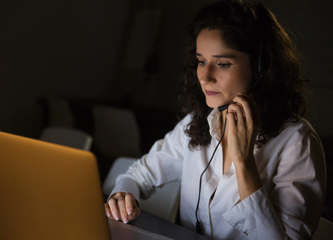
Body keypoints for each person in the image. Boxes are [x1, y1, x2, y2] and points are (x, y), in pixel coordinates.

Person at [104, 0, 326, 239]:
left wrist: (244, 164)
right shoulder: (198, 121)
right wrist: (122, 194)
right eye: (201, 61)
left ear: (261, 68)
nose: (205, 77)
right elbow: (137, 174)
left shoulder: (296, 143)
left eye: (222, 63)